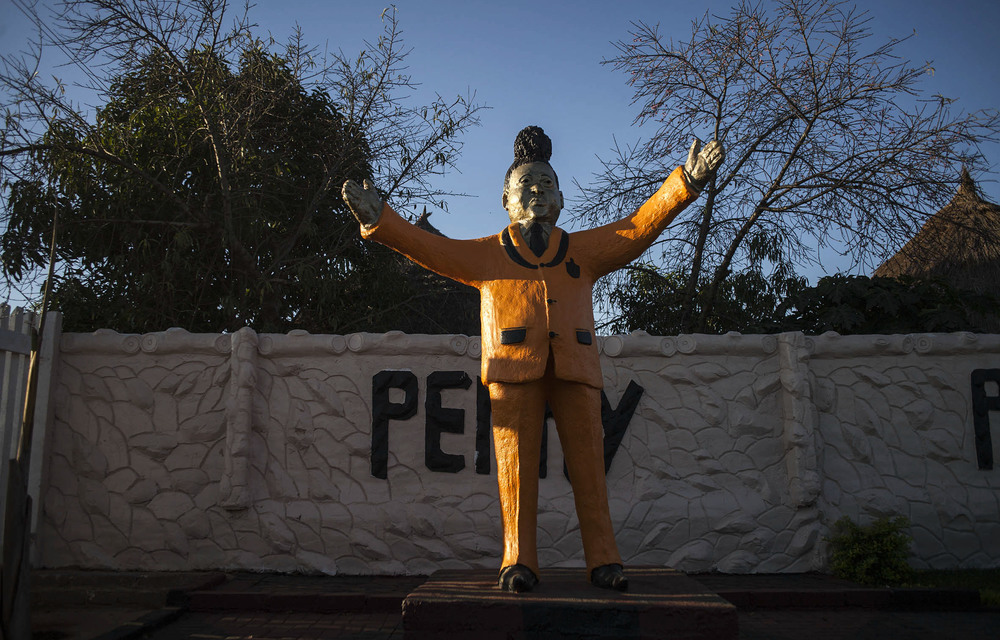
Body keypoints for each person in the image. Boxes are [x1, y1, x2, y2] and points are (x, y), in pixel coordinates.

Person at [342, 126, 723, 592]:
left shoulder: (581, 252)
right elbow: (432, 249)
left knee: (589, 468)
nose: (538, 190)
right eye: (527, 184)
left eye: (547, 183)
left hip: (576, 365)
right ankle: (518, 561)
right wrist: (382, 219)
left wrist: (687, 180)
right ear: (506, 198)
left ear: (560, 199)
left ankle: (605, 560)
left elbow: (639, 227)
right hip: (511, 368)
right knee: (514, 470)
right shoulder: (487, 255)